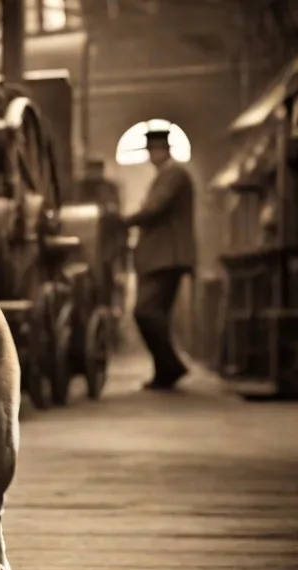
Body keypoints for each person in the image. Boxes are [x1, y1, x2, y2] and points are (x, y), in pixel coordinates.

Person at [121, 128, 196, 390]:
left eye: (154, 151)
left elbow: (154, 208)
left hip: (166, 256)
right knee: (156, 314)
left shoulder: (173, 174)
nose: (152, 156)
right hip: (161, 256)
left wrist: (124, 221)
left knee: (146, 311)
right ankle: (166, 371)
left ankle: (171, 366)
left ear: (163, 150)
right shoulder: (168, 175)